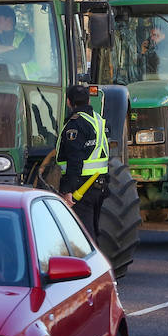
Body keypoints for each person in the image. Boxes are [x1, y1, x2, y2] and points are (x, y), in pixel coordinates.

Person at [57, 84, 110, 240]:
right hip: (99, 184)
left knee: (83, 235)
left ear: (68, 102)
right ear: (88, 100)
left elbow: (75, 160)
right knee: (92, 231)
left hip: (81, 188)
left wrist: (68, 191)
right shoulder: (99, 120)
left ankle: (93, 264)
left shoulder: (75, 124)